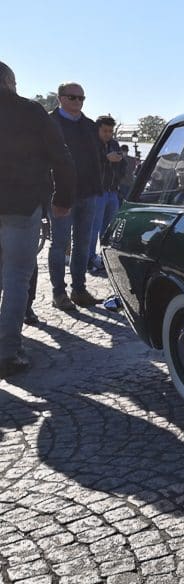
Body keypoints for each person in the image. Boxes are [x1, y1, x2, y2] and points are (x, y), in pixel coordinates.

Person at [0, 61, 75, 378]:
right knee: (16, 277)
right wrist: (63, 198)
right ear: (10, 82)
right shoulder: (31, 112)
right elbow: (61, 155)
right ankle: (6, 352)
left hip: (20, 203)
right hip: (22, 203)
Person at [49, 82, 104, 309]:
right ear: (61, 98)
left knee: (82, 245)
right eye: (72, 97)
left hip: (88, 194)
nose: (78, 102)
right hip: (61, 196)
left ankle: (79, 290)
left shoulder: (90, 126)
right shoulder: (49, 123)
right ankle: (58, 294)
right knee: (60, 244)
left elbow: (97, 159)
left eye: (81, 98)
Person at [88, 115, 124, 273]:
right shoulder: (91, 144)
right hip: (97, 192)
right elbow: (88, 164)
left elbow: (123, 164)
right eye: (105, 131)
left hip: (112, 192)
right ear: (98, 130)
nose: (108, 134)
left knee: (108, 229)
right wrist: (105, 159)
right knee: (93, 228)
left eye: (110, 131)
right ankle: (89, 258)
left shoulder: (114, 144)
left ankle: (104, 257)